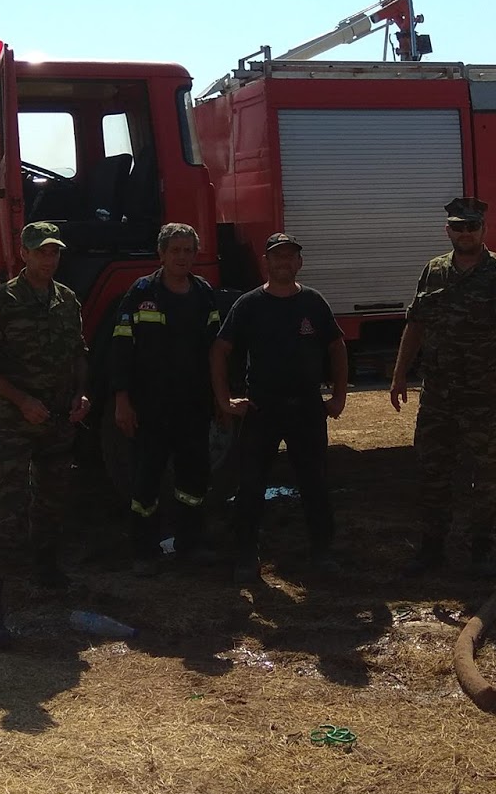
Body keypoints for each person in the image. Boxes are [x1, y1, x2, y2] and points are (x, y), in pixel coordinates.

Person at [390, 197, 496, 576]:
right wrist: (399, 373)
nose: (465, 233)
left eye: (472, 226)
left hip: (485, 396)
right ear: (448, 230)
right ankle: (432, 549)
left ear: (484, 230)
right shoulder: (433, 272)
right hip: (438, 396)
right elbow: (416, 324)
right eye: (459, 227)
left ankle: (482, 550)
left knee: (487, 476)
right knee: (432, 471)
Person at [0, 220, 91, 649]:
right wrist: (20, 400)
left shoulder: (67, 300)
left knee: (54, 498)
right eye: (41, 252)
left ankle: (46, 570)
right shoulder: (1, 301)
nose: (49, 259)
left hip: (57, 421)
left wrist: (81, 395)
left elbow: (78, 354)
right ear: (24, 254)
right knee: (9, 509)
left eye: (54, 252)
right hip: (18, 424)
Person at [211, 232, 348, 585]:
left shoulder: (314, 303)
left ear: (299, 262)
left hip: (306, 408)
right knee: (252, 484)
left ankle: (322, 552)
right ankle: (246, 555)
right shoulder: (249, 304)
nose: (284, 262)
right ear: (266, 262)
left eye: (290, 256)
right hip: (262, 408)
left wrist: (339, 396)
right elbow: (220, 351)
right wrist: (224, 400)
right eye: (277, 257)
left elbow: (337, 348)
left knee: (314, 482)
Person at [108, 222, 221, 576]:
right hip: (150, 407)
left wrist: (222, 399)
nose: (183, 257)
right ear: (161, 254)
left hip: (193, 406)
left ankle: (190, 544)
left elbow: (217, 352)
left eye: (189, 250)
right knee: (146, 479)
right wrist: (121, 399)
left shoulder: (203, 294)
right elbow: (121, 348)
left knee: (194, 479)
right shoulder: (141, 293)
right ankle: (144, 551)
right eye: (176, 250)